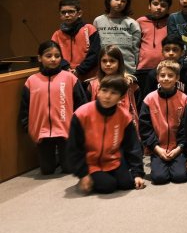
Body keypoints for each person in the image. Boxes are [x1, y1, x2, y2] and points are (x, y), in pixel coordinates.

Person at [67, 74, 145, 194]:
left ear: (121, 97)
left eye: (114, 93)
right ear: (98, 91)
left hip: (113, 160)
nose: (107, 96)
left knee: (128, 183)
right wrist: (83, 173)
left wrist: (137, 173)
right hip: (90, 163)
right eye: (104, 90)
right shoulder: (81, 114)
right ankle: (91, 177)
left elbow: (133, 146)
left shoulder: (124, 116)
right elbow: (74, 147)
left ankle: (108, 176)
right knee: (108, 186)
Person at [20, 40, 88, 175]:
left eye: (57, 56)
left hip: (66, 131)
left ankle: (66, 157)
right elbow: (24, 108)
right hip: (42, 133)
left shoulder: (69, 78)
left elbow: (82, 104)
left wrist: (78, 127)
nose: (53, 59)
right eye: (48, 56)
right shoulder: (31, 81)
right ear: (40, 58)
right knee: (47, 170)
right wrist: (28, 127)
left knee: (69, 169)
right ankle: (55, 158)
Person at [138, 60, 187, 185]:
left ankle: (177, 160)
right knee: (159, 178)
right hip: (158, 147)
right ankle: (160, 161)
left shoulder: (185, 99)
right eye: (162, 75)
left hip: (178, 148)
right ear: (157, 77)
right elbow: (145, 128)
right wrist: (157, 149)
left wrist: (179, 148)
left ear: (177, 78)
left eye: (170, 76)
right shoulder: (149, 99)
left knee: (180, 176)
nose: (166, 78)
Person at [86, 45, 140, 134]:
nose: (108, 64)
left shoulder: (130, 85)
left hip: (125, 129)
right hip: (99, 130)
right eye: (104, 61)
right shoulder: (92, 85)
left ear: (120, 63)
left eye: (112, 61)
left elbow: (137, 110)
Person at [93, 0, 141, 74]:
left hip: (127, 70)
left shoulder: (132, 23)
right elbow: (95, 48)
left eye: (123, 1)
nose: (119, 3)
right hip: (105, 70)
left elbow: (136, 50)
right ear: (109, 0)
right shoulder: (98, 21)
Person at [51, 0, 100, 81]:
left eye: (71, 11)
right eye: (63, 12)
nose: (66, 15)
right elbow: (55, 56)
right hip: (66, 77)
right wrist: (67, 68)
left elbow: (95, 54)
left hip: (89, 78)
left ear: (79, 13)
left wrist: (79, 70)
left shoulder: (90, 29)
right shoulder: (56, 35)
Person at [136, 0, 173, 100]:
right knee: (144, 100)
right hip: (143, 69)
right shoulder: (140, 22)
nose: (158, 7)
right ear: (149, 5)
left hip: (164, 69)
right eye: (155, 4)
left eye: (163, 5)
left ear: (168, 8)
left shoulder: (172, 21)